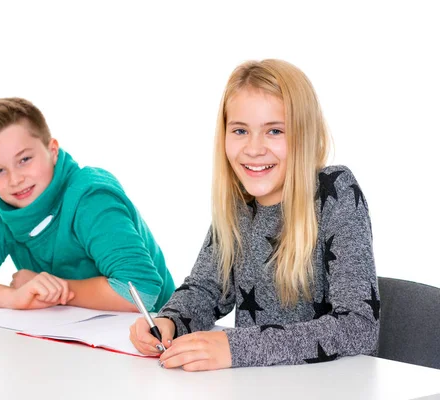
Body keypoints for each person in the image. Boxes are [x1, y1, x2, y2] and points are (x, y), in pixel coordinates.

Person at [129, 59, 379, 370]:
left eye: (274, 131)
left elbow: (357, 327)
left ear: (304, 134)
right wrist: (170, 321)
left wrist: (236, 347)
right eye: (240, 131)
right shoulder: (238, 202)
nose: (254, 148)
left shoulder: (335, 192)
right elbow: (206, 289)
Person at [0, 98, 175, 312]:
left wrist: (55, 290)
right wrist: (13, 297)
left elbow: (140, 292)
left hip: (153, 340)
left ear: (52, 150)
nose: (15, 180)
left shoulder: (92, 197)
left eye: (24, 159)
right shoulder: (8, 212)